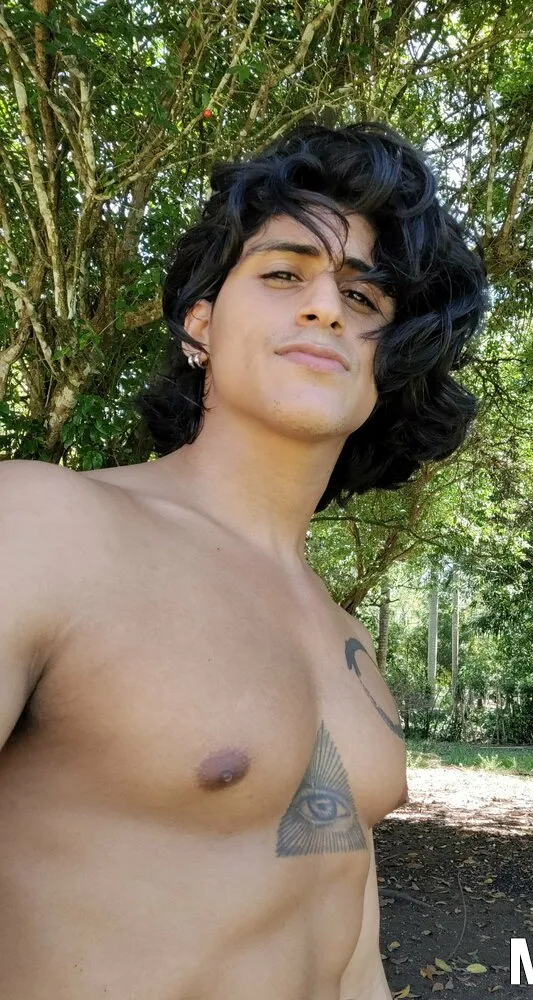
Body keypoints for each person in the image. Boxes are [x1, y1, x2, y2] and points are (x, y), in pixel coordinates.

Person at [0, 121, 488, 1000]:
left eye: (364, 298)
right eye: (283, 274)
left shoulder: (347, 641)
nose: (326, 307)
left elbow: (348, 949)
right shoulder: (42, 525)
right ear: (199, 326)